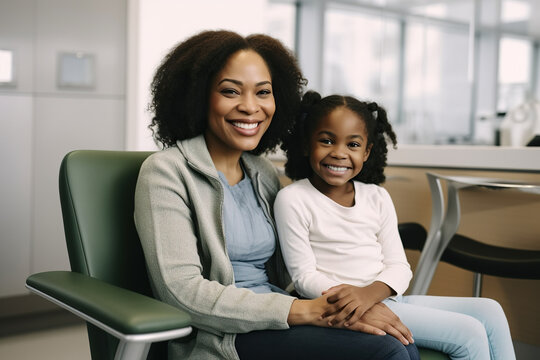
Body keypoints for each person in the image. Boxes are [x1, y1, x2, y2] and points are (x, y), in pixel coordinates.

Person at [134, 30, 420, 360]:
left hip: (283, 312)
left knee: (403, 345)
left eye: (263, 93)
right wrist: (310, 311)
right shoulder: (166, 172)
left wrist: (352, 304)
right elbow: (181, 292)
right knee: (386, 351)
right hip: (221, 334)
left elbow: (293, 269)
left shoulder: (262, 173)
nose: (250, 107)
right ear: (198, 96)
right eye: (230, 91)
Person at [274, 90, 517, 360]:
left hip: (384, 298)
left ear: (367, 152)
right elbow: (304, 277)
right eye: (327, 141)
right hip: (342, 306)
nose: (339, 153)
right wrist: (358, 302)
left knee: (490, 310)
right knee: (469, 332)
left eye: (352, 145)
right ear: (307, 145)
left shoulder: (377, 197)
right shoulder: (293, 199)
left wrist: (369, 295)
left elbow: (399, 266)